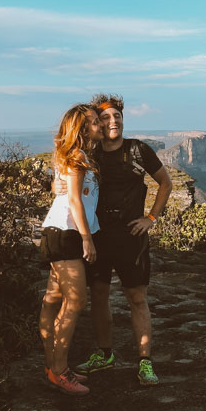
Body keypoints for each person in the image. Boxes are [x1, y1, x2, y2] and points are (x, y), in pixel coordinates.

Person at [70, 93, 172, 386]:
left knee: (136, 297)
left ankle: (145, 362)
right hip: (100, 236)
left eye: (117, 117)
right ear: (98, 124)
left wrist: (151, 218)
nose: (113, 121)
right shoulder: (91, 153)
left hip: (131, 237)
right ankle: (105, 355)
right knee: (99, 295)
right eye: (106, 118)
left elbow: (165, 183)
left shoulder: (138, 150)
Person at [38, 103, 104, 395]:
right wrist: (87, 239)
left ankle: (53, 366)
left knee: (53, 298)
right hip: (66, 233)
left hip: (60, 230)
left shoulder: (77, 157)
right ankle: (61, 372)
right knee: (75, 302)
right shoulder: (76, 158)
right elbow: (75, 201)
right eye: (93, 123)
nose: (100, 126)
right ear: (80, 128)